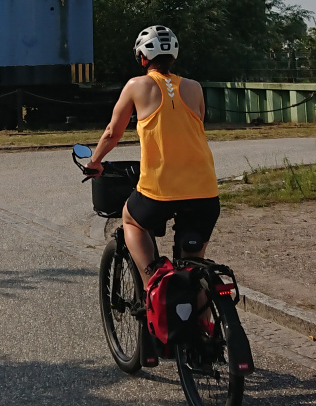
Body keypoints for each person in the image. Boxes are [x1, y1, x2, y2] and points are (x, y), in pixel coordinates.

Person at [83, 24, 218, 284]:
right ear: (174, 56)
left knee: (131, 220)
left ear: (142, 58)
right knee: (195, 270)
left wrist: (95, 161)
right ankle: (201, 307)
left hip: (160, 190)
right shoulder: (195, 87)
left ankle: (153, 284)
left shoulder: (137, 85)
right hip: (205, 190)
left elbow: (112, 132)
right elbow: (194, 128)